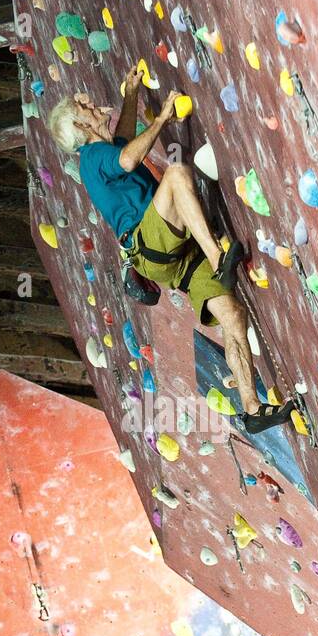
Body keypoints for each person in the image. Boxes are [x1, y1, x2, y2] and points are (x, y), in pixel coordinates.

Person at [46, 63, 295, 433]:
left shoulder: (101, 153)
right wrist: (162, 117)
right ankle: (217, 256)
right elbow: (129, 157)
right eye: (84, 109)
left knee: (232, 315)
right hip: (149, 242)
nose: (92, 105)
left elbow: (124, 142)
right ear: (81, 127)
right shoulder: (90, 158)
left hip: (166, 254)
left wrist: (130, 97)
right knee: (177, 174)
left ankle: (252, 408)